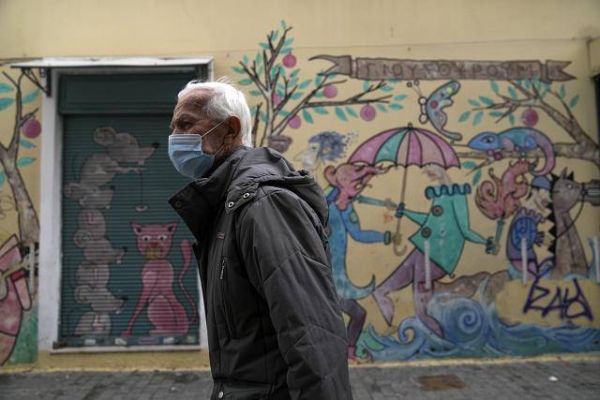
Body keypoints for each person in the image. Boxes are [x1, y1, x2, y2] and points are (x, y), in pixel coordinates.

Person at [168, 78, 352, 400]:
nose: (174, 138)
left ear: (229, 129)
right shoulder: (226, 205)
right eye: (172, 127)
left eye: (185, 124)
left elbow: (312, 334)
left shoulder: (264, 205)